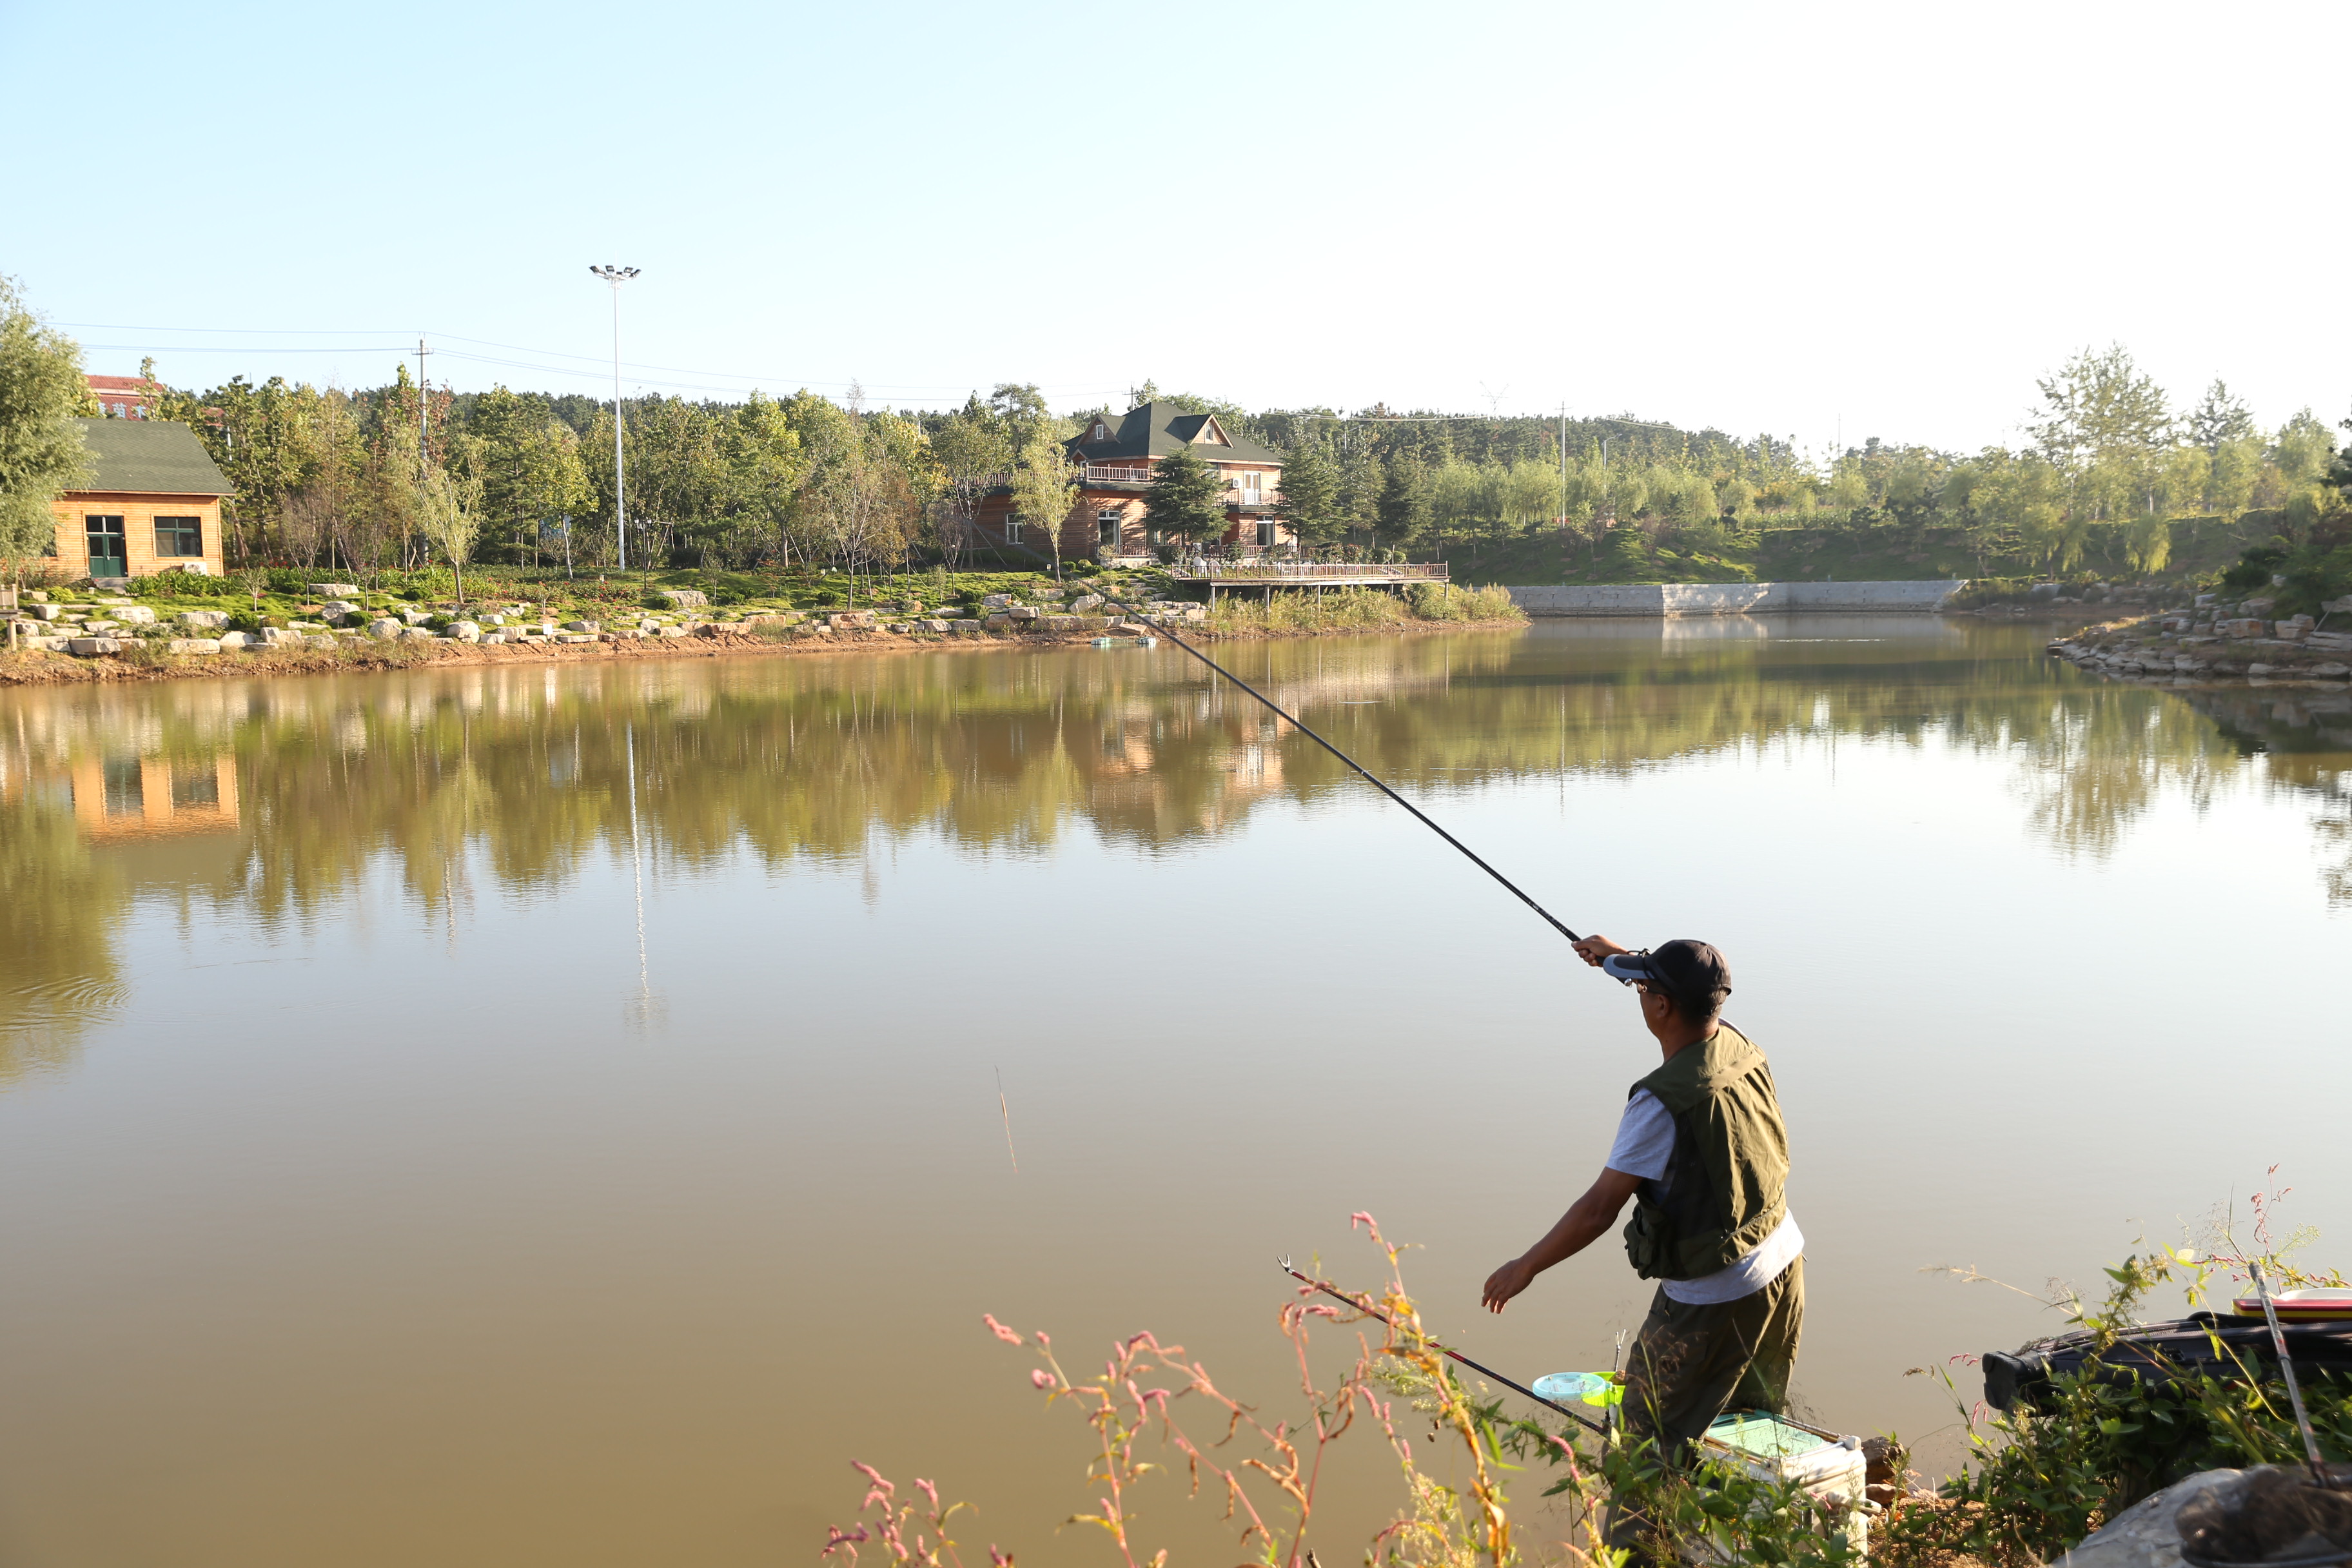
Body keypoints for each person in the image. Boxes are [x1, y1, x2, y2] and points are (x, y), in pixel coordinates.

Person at [1480, 935, 1803, 1477]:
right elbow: (1682, 986)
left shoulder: (1659, 1103)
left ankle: (1642, 1550)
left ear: (1660, 1005)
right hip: (1783, 1265)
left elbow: (1598, 1210)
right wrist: (1616, 959)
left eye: (1645, 985)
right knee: (1742, 1428)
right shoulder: (1740, 1044)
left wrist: (1525, 1266)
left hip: (1712, 1297)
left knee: (1640, 1452)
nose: (1641, 992)